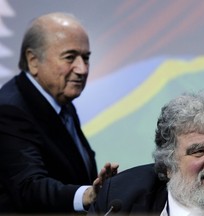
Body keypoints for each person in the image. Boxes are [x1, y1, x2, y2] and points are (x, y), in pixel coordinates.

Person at [0, 12, 118, 213]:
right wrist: (87, 195)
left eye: (86, 58)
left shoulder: (61, 101)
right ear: (33, 61)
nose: (82, 69)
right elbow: (30, 187)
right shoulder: (9, 110)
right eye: (70, 57)